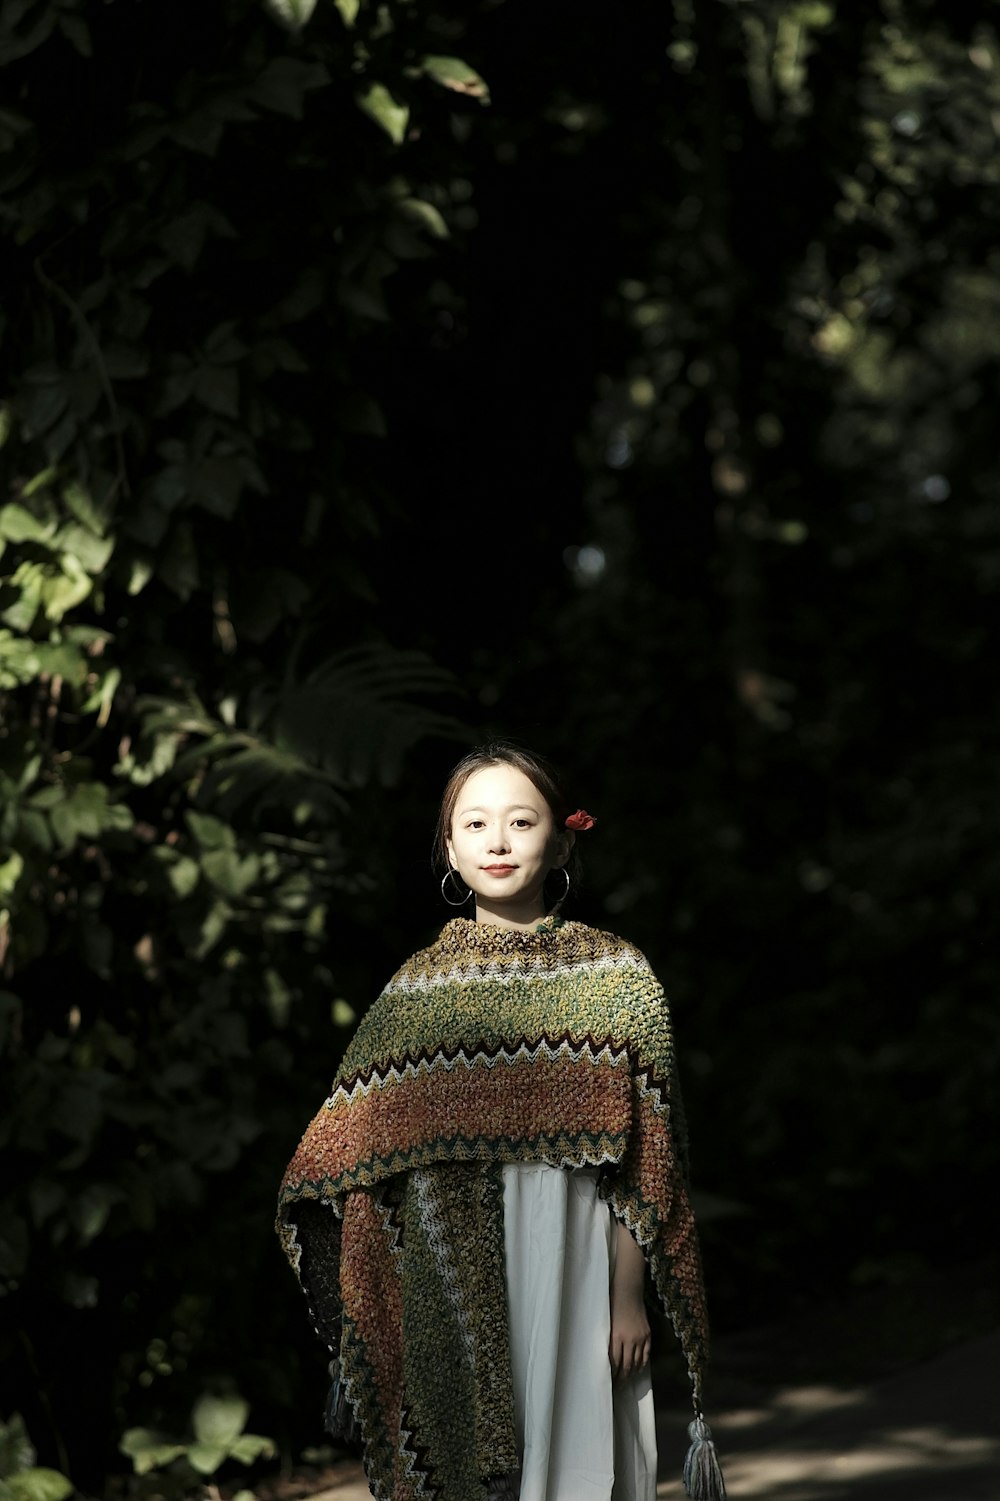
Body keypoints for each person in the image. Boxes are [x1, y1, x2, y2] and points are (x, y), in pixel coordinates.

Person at [276, 743, 725, 1501]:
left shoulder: (618, 979)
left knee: (586, 1456)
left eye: (521, 820)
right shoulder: (417, 991)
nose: (498, 840)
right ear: (448, 846)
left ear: (562, 837)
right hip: (453, 1272)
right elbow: (345, 1147)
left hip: (580, 1261)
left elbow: (648, 1159)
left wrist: (626, 1293)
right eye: (475, 822)